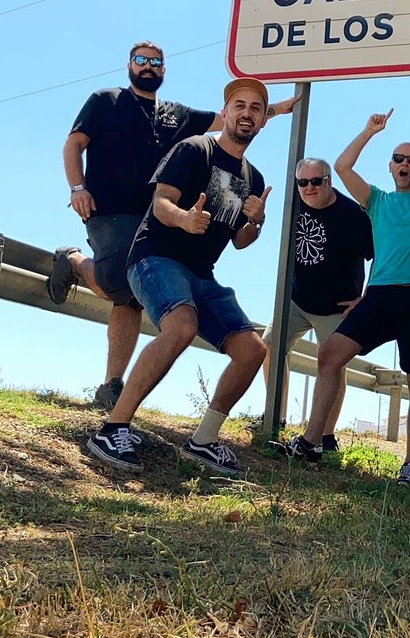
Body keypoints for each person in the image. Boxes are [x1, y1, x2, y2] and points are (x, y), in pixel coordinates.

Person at [49, 40, 297, 410]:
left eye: (156, 62)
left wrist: (275, 110)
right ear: (130, 65)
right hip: (110, 208)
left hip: (154, 221)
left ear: (164, 70)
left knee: (130, 298)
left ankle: (112, 383)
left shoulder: (176, 114)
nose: (148, 67)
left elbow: (227, 118)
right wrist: (77, 187)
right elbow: (74, 144)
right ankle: (72, 260)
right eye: (141, 61)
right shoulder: (106, 99)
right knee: (116, 283)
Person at [282, 106, 410, 482]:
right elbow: (342, 167)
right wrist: (369, 130)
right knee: (329, 356)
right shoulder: (376, 200)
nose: (405, 164)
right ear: (391, 167)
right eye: (398, 159)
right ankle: (311, 442)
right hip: (377, 298)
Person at [84, 78, 273, 478]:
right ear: (226, 112)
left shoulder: (253, 179)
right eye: (239, 105)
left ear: (261, 122)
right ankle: (113, 427)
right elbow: (162, 202)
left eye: (255, 108)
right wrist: (185, 219)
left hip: (203, 275)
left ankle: (203, 440)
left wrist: (255, 222)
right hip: (156, 258)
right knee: (181, 325)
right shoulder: (193, 149)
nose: (246, 113)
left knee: (253, 351)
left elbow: (241, 241)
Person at [261, 157, 373, 450]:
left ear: (328, 181)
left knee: (333, 366)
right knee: (270, 347)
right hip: (297, 300)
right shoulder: (293, 205)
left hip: (337, 306)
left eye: (316, 181)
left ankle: (325, 435)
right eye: (303, 182)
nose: (309, 188)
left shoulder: (353, 214)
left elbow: (379, 254)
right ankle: (275, 417)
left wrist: (367, 297)